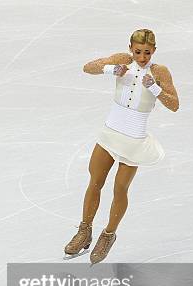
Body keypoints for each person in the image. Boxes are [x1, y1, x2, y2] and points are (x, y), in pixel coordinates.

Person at [64, 29, 179, 263]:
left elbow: (174, 104)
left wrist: (155, 88)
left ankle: (108, 235)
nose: (142, 57)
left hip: (134, 140)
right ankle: (84, 230)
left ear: (154, 51)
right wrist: (110, 69)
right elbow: (88, 67)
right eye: (138, 51)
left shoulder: (159, 71)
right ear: (130, 48)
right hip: (110, 132)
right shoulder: (122, 60)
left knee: (120, 189)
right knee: (95, 182)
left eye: (147, 52)